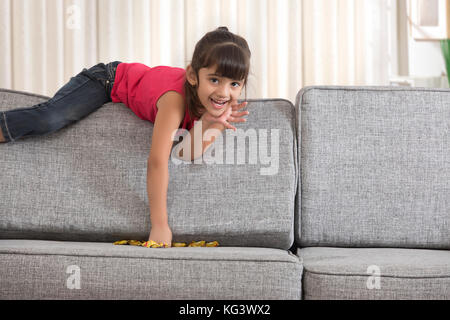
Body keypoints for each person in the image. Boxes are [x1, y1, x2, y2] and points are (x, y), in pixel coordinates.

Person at [0, 26, 252, 247]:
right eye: (215, 80)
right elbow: (157, 161)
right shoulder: (175, 101)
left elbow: (186, 153)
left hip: (137, 88)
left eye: (234, 84)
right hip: (107, 80)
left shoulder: (216, 109)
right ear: (193, 76)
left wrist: (211, 125)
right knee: (50, 118)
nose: (223, 92)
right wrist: (160, 225)